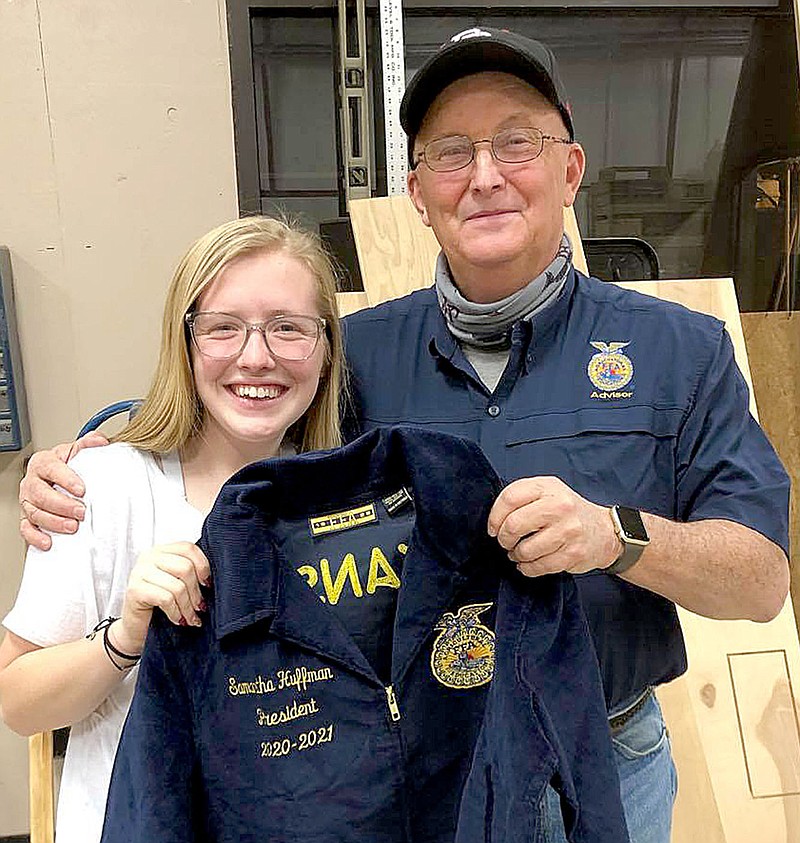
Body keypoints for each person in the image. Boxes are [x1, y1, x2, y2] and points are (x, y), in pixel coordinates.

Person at [16, 26, 791, 843]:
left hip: (608, 756)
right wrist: (100, 441)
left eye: (516, 142)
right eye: (452, 152)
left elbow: (761, 582)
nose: (485, 175)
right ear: (419, 193)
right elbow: (245, 397)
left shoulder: (681, 352)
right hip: (425, 771)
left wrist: (615, 534)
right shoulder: (359, 355)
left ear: (570, 170)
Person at [0, 215, 345, 843]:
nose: (256, 357)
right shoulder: (98, 489)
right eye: (223, 329)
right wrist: (127, 635)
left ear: (325, 350)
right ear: (184, 344)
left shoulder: (346, 505)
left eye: (288, 329)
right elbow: (18, 702)